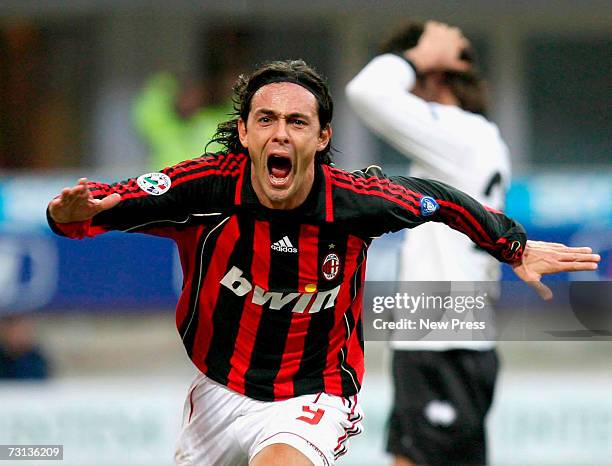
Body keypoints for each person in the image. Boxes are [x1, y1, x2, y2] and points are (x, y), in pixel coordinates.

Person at [46, 59, 599, 466]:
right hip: (215, 390)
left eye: (296, 121)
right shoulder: (205, 189)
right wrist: (62, 213)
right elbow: (99, 205)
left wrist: (513, 247)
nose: (280, 133)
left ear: (321, 136)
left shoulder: (356, 202)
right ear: (244, 132)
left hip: (311, 393)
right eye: (265, 120)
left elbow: (441, 199)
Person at [345, 20, 527, 466]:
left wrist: (423, 54)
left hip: (442, 339)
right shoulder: (472, 140)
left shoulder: (459, 134)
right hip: (442, 337)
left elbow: (366, 92)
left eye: (411, 78)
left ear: (434, 78)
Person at [133, 71, 233, 169]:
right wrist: (166, 81)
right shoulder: (162, 127)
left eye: (195, 94)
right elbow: (147, 109)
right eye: (185, 93)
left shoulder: (215, 123)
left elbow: (239, 113)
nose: (189, 99)